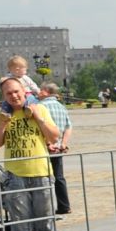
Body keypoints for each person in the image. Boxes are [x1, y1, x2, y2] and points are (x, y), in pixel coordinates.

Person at [0, 74, 62, 231]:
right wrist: (2, 124)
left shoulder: (40, 109)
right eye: (8, 93)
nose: (13, 96)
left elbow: (54, 136)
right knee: (22, 222)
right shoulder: (1, 115)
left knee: (45, 219)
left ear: (24, 92)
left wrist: (38, 117)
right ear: (3, 96)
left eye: (16, 92)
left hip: (41, 171)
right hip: (16, 174)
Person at [37, 83, 74, 216]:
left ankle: (42, 209)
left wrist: (47, 143)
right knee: (59, 177)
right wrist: (63, 143)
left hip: (44, 148)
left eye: (41, 90)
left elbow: (41, 127)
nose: (38, 92)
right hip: (58, 148)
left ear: (47, 91)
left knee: (41, 178)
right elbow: (68, 127)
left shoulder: (41, 107)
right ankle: (64, 206)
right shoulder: (61, 107)